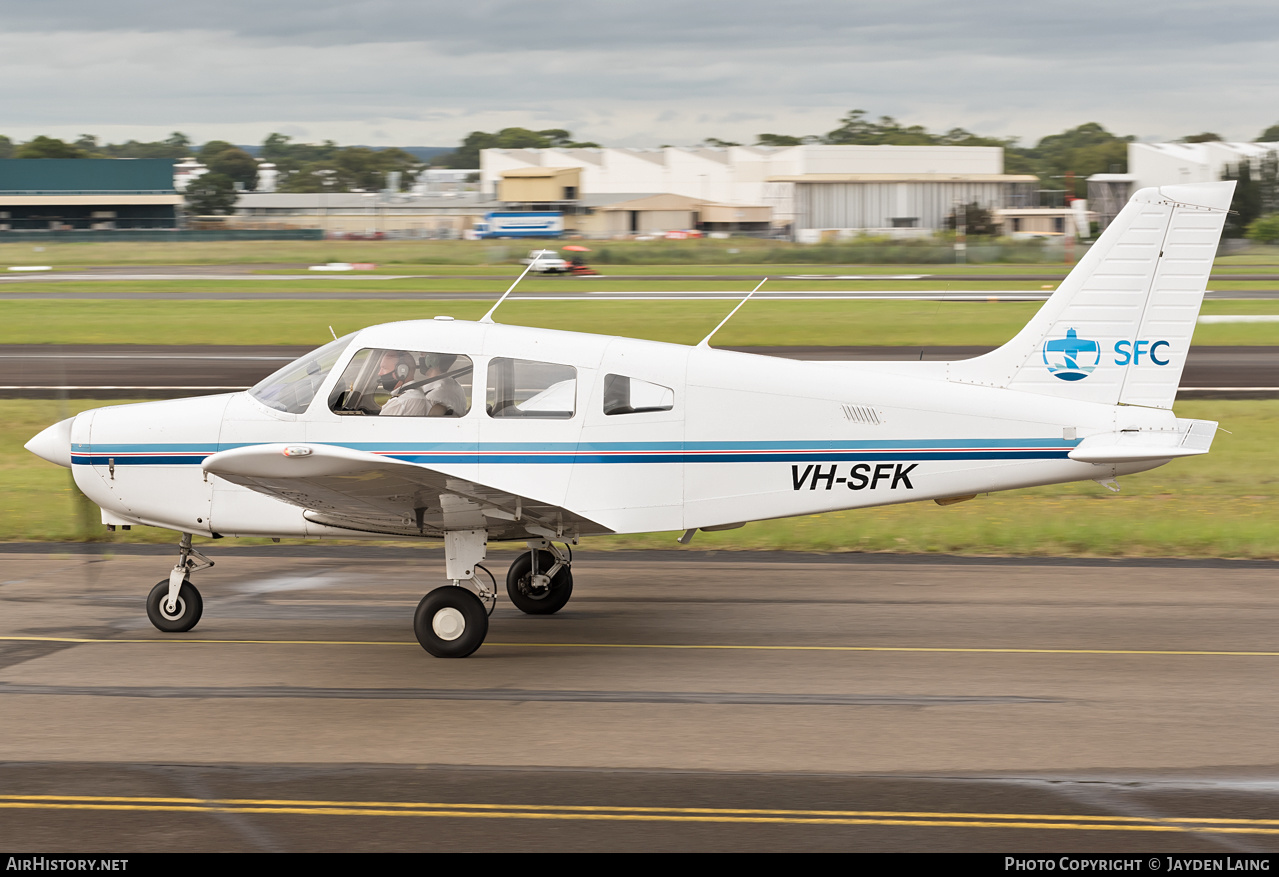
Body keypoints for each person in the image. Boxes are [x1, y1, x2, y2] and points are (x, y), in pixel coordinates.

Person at [377, 351, 431, 416]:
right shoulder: (419, 393)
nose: (379, 373)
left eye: (384, 368)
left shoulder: (399, 402)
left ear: (402, 371)